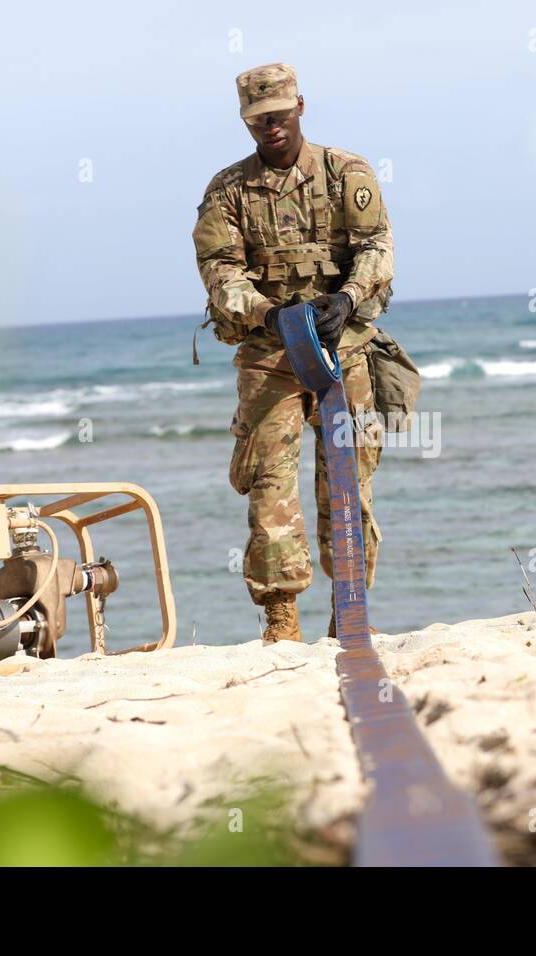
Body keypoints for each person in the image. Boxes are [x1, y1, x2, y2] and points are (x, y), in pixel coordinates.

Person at [192, 63, 393, 643]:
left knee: (350, 484)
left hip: (345, 352)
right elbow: (219, 273)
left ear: (300, 107)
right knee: (269, 487)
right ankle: (281, 619)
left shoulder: (344, 171)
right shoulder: (227, 191)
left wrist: (348, 299)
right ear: (246, 123)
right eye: (258, 122)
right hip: (269, 357)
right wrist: (267, 313)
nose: (271, 129)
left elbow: (376, 247)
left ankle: (349, 610)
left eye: (278, 117)